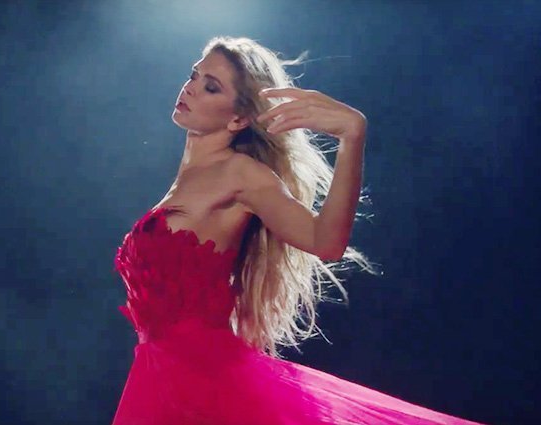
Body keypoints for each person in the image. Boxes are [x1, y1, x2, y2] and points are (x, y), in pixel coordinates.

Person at [111, 36, 482, 424]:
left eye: (211, 87)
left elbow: (327, 242)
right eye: (194, 75)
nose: (189, 87)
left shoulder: (240, 174)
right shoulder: (185, 182)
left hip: (202, 380)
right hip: (160, 375)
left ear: (238, 119)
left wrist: (352, 135)